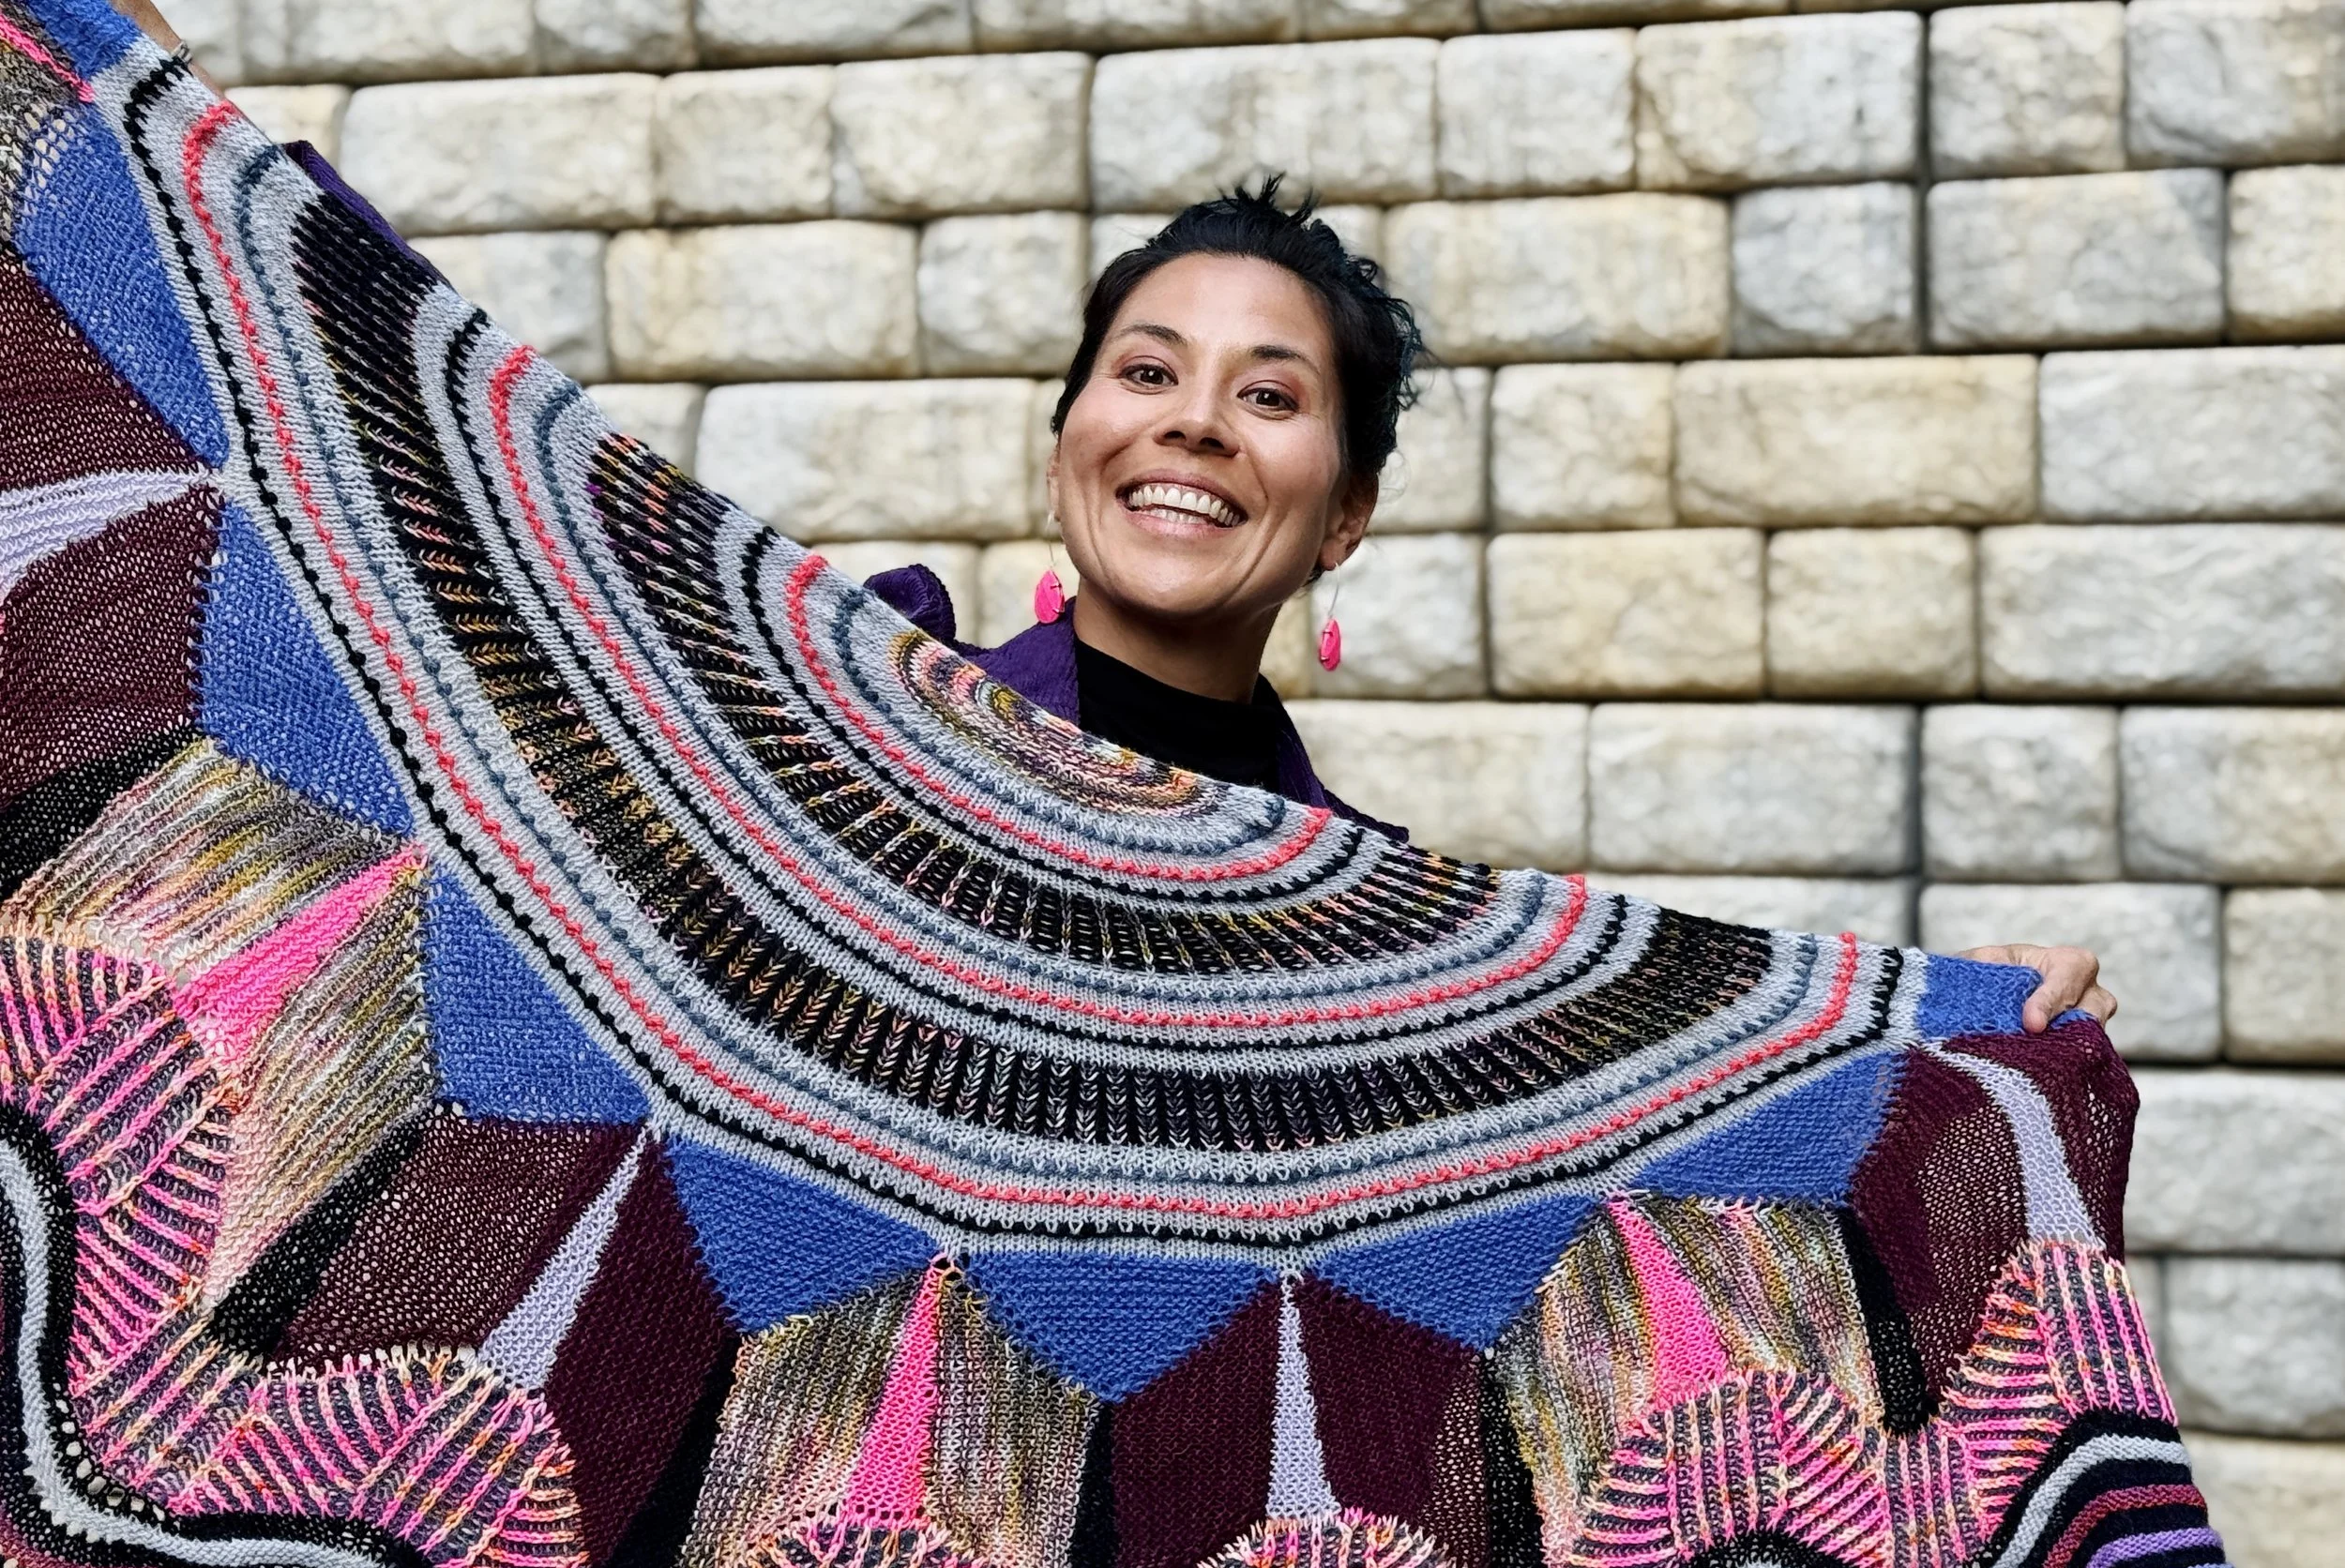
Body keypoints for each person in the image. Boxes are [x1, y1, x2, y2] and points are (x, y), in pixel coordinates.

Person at [118, 0, 2118, 1037]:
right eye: (1144, 371)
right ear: (1070, 432)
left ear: (1338, 518)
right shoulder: (853, 698)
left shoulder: (1360, 915)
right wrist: (227, 208)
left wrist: (1947, 1033)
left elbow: (1646, 1097)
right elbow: (494, 566)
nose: (1192, 427)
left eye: (1271, 397)